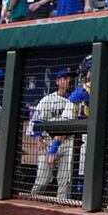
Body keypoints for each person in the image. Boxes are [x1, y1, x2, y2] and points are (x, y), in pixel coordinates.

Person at [28, 67, 79, 202]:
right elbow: (36, 121)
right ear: (58, 81)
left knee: (65, 182)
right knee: (42, 180)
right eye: (65, 78)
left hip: (69, 143)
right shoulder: (47, 100)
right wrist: (39, 140)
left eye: (71, 78)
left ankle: (61, 209)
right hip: (48, 142)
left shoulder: (77, 100)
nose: (69, 81)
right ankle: (31, 202)